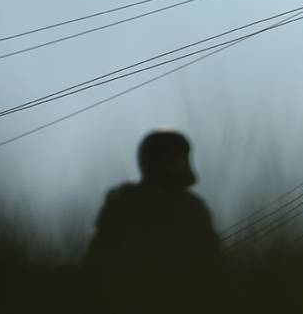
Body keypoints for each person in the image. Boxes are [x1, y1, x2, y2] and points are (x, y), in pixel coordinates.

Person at [85, 130, 219, 310]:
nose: (183, 162)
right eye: (177, 157)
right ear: (162, 161)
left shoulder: (191, 206)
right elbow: (101, 261)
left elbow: (209, 260)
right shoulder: (127, 201)